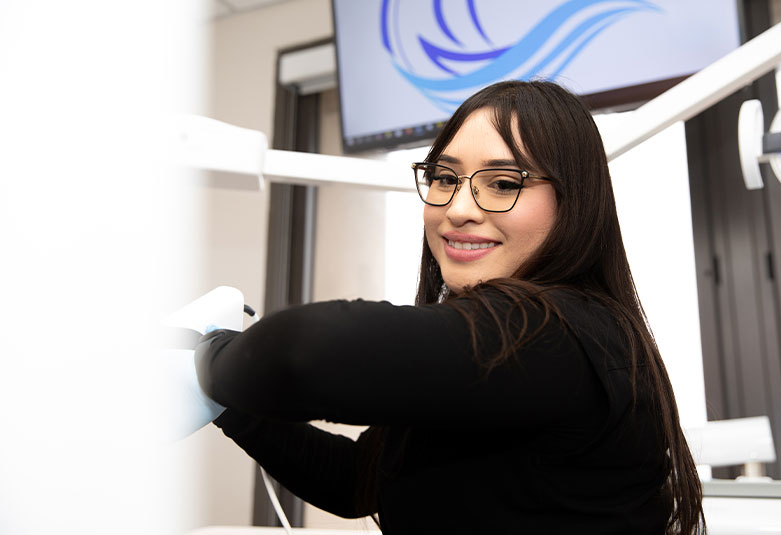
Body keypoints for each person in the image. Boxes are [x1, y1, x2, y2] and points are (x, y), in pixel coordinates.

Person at [194, 80, 705, 534]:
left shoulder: (555, 332)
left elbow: (304, 353)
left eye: (503, 183)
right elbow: (356, 481)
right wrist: (227, 404)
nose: (458, 209)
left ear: (575, 202)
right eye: (444, 178)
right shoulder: (510, 357)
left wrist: (210, 356)